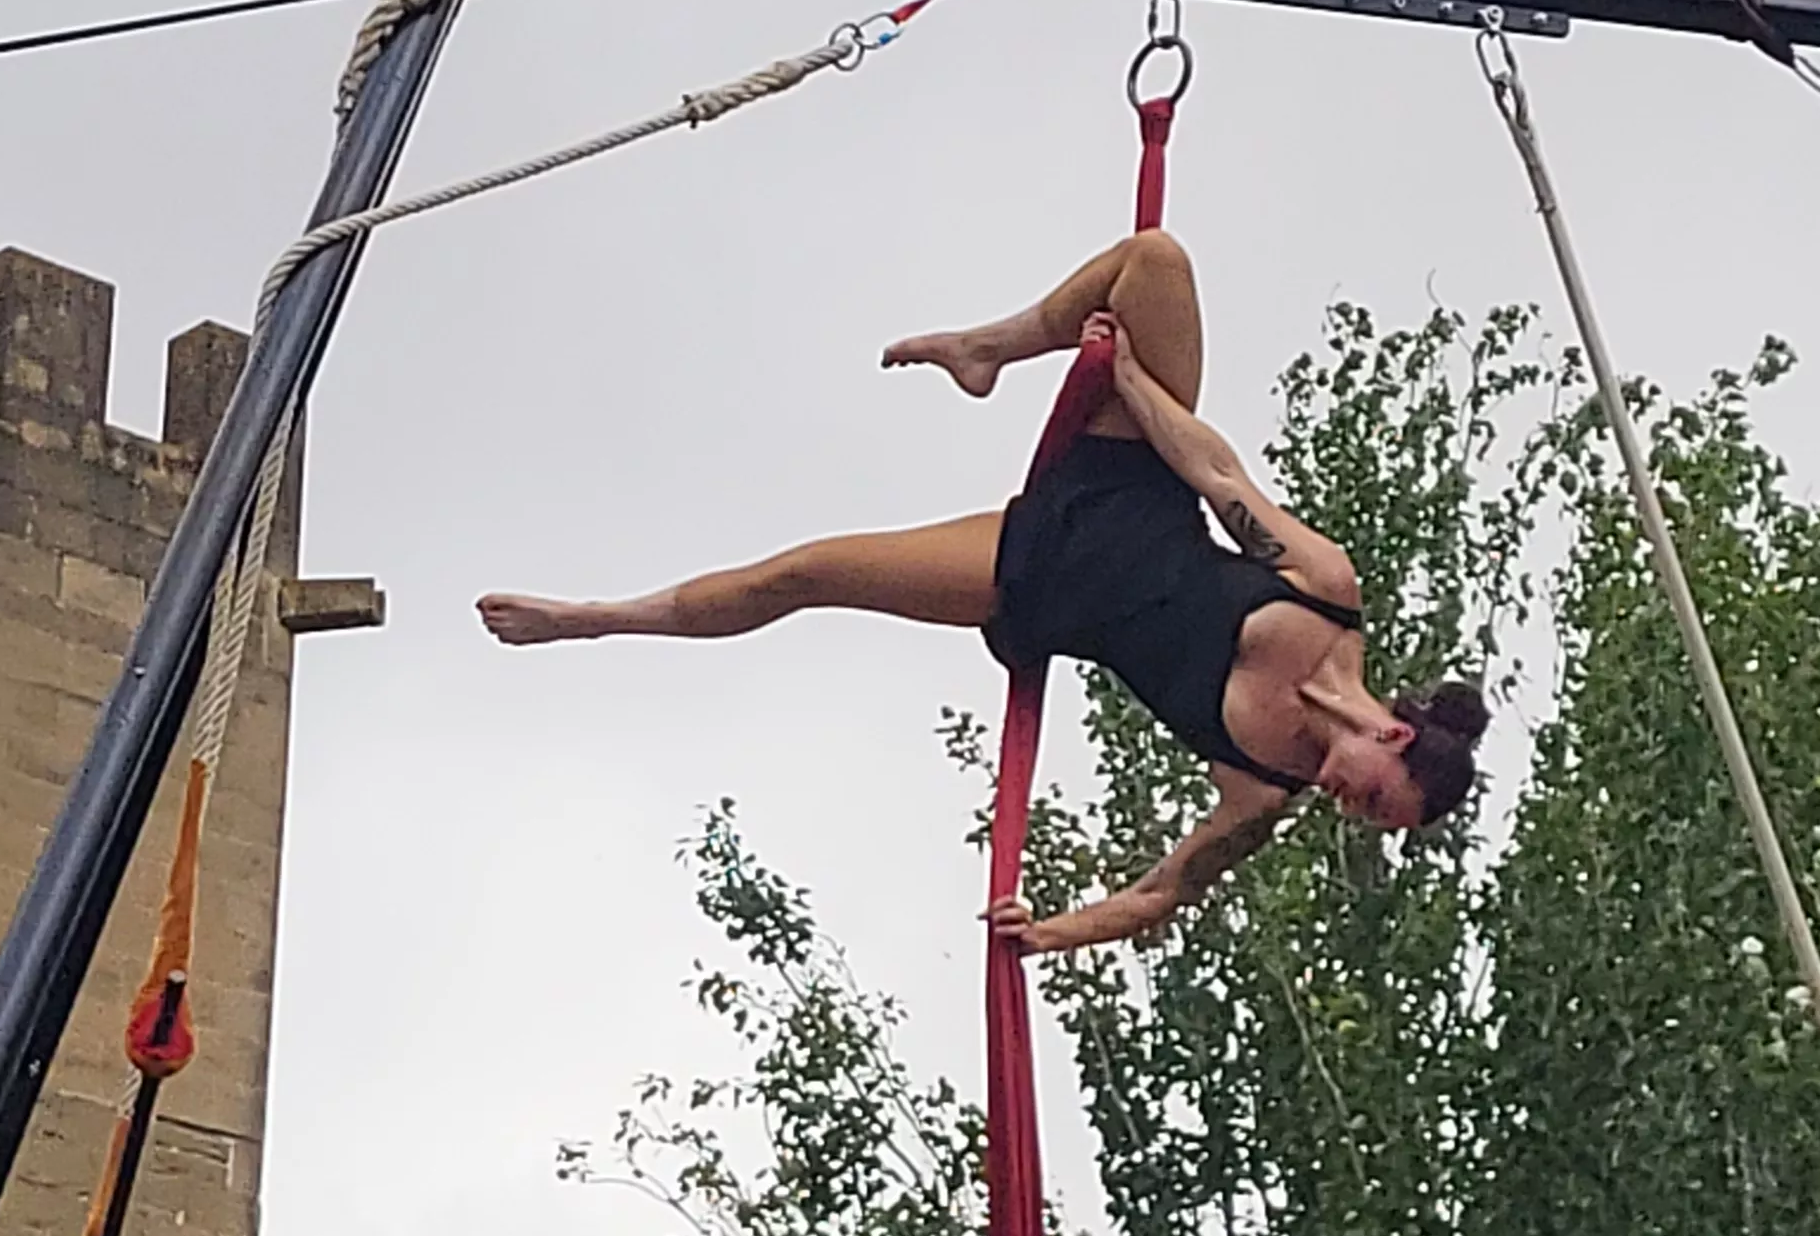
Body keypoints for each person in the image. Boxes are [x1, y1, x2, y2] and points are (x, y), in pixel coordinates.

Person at [478, 228, 1487, 955]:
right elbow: (1219, 477)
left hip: (1031, 577)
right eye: (1373, 797)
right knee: (1155, 259)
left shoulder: (1259, 787)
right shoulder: (1327, 598)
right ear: (1393, 735)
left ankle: (592, 620)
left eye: (1367, 820)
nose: (1348, 807)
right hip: (1131, 480)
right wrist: (1126, 383)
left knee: (800, 574)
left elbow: (1160, 895)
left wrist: (1049, 931)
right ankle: (990, 349)